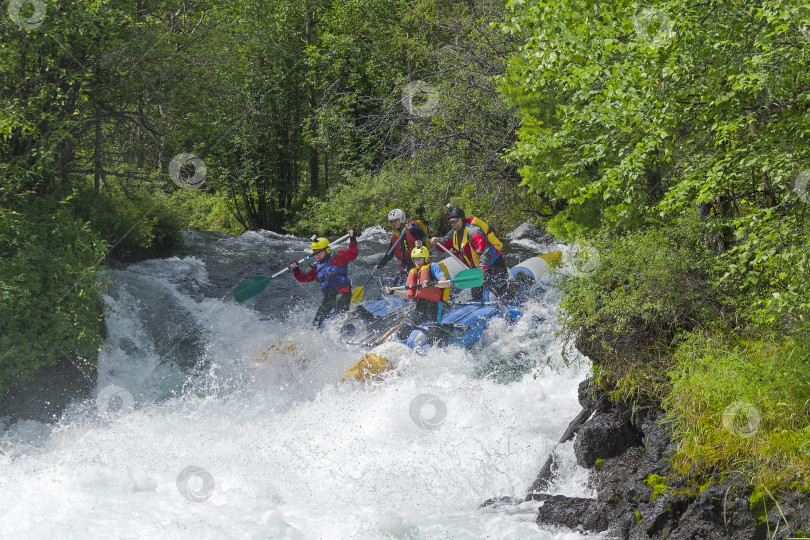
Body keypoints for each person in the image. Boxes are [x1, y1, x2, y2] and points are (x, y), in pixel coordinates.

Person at [430, 207, 508, 301]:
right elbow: (444, 246)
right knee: (476, 295)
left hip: (493, 265)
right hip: (476, 269)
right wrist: (436, 243)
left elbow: (485, 252)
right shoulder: (453, 233)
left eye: (456, 221)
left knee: (504, 293)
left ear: (462, 219)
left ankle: (519, 284)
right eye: (451, 222)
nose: (453, 224)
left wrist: (482, 269)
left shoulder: (473, 231)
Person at [289, 230, 357, 327]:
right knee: (316, 323)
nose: (317, 255)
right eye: (314, 252)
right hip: (329, 296)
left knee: (339, 319)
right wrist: (296, 269)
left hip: (342, 292)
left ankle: (348, 333)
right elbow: (303, 278)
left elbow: (353, 253)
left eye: (319, 252)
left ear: (327, 250)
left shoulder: (336, 258)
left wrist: (353, 240)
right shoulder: (316, 268)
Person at [386, 244, 450, 344]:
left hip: (435, 307)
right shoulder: (415, 272)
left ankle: (444, 333)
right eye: (415, 259)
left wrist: (431, 284)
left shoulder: (433, 267)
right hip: (420, 307)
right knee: (402, 333)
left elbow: (445, 283)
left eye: (420, 259)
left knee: (433, 339)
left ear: (426, 258)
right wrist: (394, 292)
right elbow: (410, 294)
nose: (417, 262)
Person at [374, 209, 429, 286]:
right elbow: (389, 254)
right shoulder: (395, 236)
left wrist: (412, 228)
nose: (393, 223)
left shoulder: (412, 227)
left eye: (395, 220)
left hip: (419, 261)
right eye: (392, 221)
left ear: (401, 218)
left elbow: (422, 234)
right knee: (397, 282)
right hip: (406, 264)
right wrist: (380, 265)